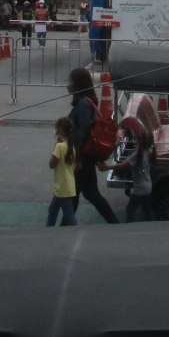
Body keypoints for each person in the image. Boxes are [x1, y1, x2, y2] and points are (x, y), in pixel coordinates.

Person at [66, 68, 119, 224]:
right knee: (80, 192)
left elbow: (84, 129)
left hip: (83, 156)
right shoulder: (88, 101)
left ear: (78, 83)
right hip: (85, 155)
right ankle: (66, 223)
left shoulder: (83, 103)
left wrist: (74, 148)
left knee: (88, 193)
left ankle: (114, 223)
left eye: (71, 81)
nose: (69, 85)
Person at [109, 123, 156, 222]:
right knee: (147, 209)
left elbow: (122, 165)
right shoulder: (150, 152)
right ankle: (154, 225)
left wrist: (107, 167)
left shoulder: (137, 155)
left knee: (130, 209)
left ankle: (130, 227)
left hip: (139, 188)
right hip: (148, 186)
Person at [46, 117, 78, 226]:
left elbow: (51, 164)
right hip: (67, 185)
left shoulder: (59, 147)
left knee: (68, 215)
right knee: (53, 210)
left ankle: (75, 231)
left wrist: (55, 147)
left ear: (61, 131)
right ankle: (48, 229)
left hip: (62, 186)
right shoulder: (72, 147)